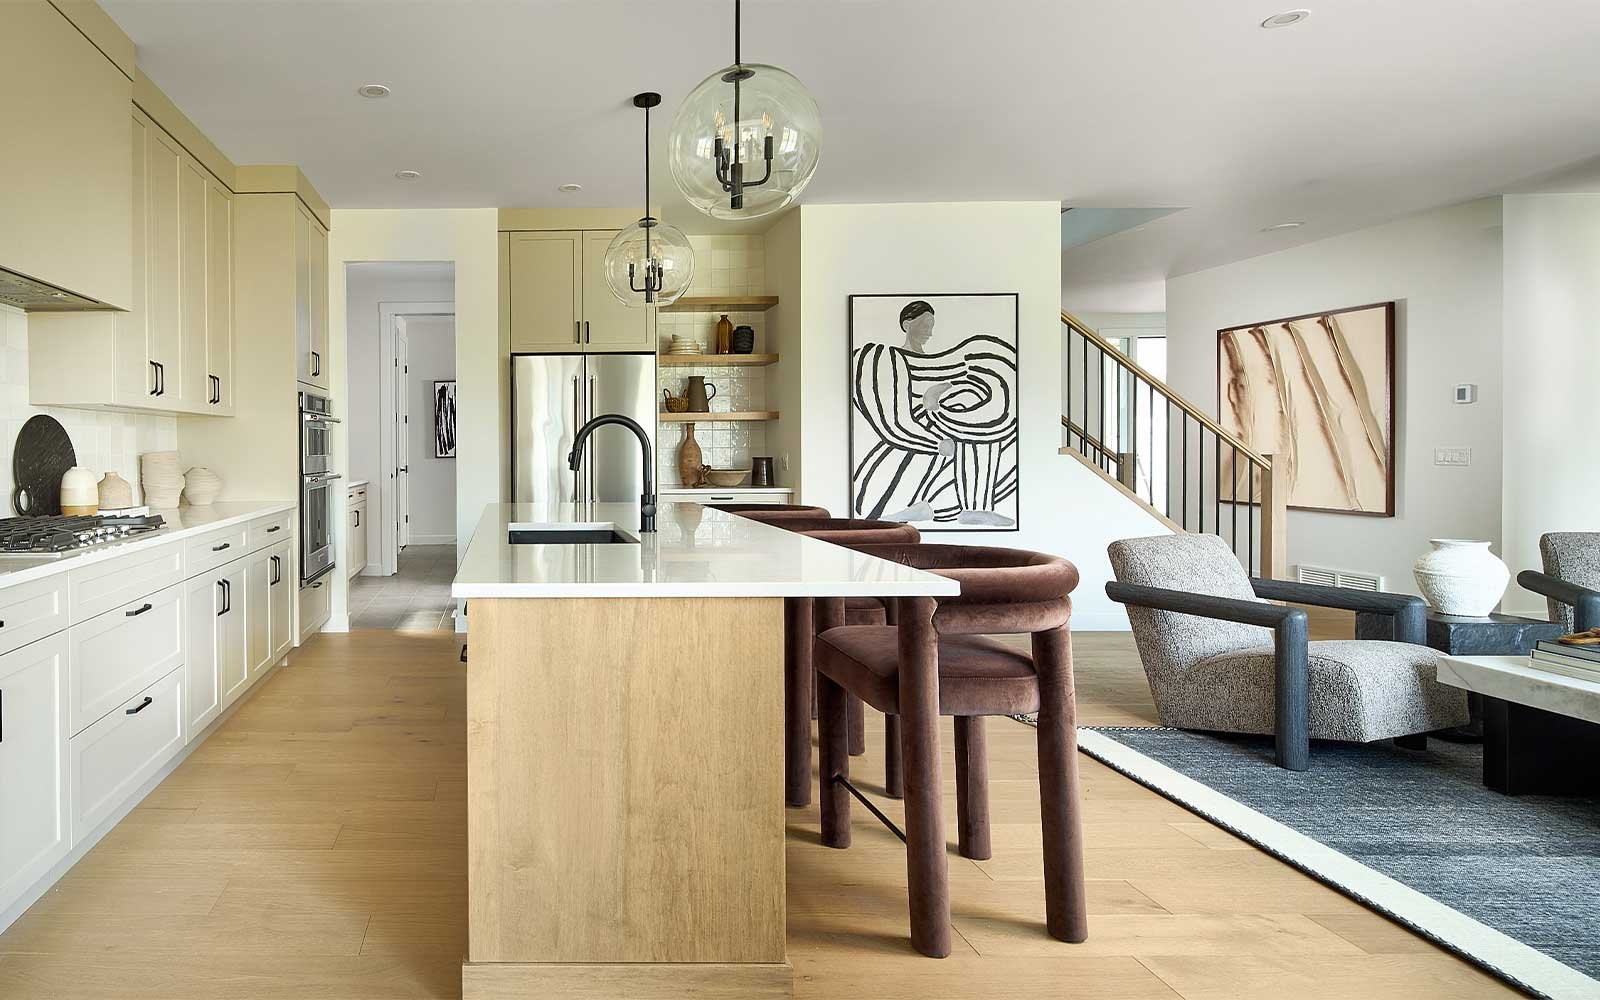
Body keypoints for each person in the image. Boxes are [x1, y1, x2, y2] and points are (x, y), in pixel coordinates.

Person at [851, 300, 1017, 526]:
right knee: (968, 405)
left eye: (932, 325)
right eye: (925, 324)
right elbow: (893, 423)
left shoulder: (949, 366)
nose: (930, 331)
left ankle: (964, 507)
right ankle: (948, 507)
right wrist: (937, 441)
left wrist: (938, 407)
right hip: (910, 453)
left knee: (982, 413)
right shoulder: (884, 357)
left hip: (944, 442)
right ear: (907, 324)